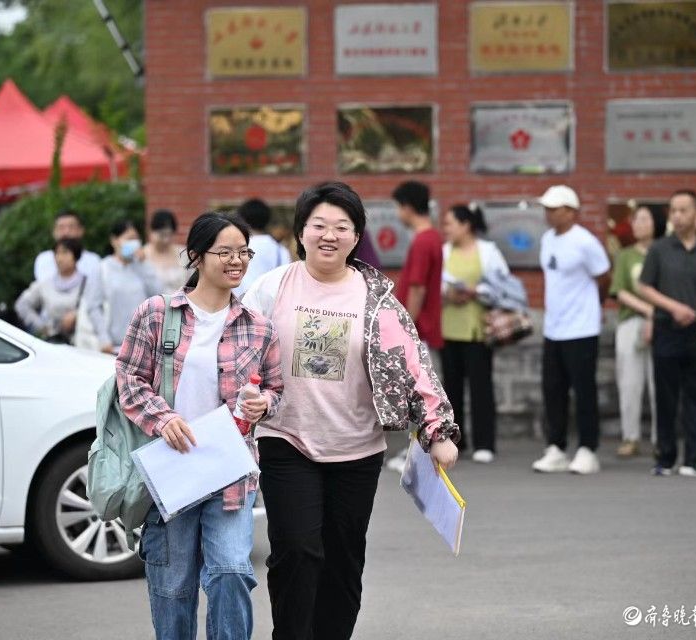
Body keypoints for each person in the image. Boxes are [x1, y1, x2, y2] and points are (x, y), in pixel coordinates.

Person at [241, 182, 459, 640]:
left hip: (356, 450)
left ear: (356, 237)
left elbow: (413, 362)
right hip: (286, 438)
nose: (329, 235)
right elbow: (238, 351)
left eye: (342, 227)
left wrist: (438, 430)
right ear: (300, 232)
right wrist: (248, 393)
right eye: (318, 225)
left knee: (343, 560)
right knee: (297, 550)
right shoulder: (270, 287)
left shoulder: (375, 298)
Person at [116, 212, 284, 640]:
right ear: (195, 256)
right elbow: (129, 380)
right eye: (224, 252)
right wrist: (164, 418)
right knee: (173, 589)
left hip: (230, 475)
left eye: (243, 252)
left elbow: (278, 392)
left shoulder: (259, 327)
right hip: (171, 473)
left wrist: (264, 402)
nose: (236, 261)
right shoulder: (156, 315)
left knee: (230, 573)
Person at [638, 189, 696, 478]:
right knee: (666, 396)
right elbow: (644, 287)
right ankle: (665, 458)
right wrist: (674, 307)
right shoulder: (659, 250)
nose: (677, 216)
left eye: (683, 210)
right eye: (673, 210)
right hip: (667, 330)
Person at [532, 185, 610, 475]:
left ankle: (589, 448)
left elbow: (604, 278)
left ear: (571, 211)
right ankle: (556, 447)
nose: (548, 214)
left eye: (554, 208)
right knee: (553, 390)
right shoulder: (547, 239)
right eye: (546, 208)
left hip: (582, 328)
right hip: (554, 327)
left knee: (584, 390)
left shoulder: (585, 242)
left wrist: (594, 307)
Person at [438, 203, 507, 464]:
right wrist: (449, 293)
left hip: (478, 330)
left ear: (465, 225)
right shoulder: (444, 252)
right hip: (449, 329)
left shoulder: (488, 251)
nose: (446, 229)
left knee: (481, 388)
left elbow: (503, 286)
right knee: (450, 390)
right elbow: (436, 285)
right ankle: (457, 440)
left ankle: (485, 443)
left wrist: (475, 291)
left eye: (450, 224)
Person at [385, 181, 444, 472]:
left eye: (398, 206)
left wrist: (406, 328)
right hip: (425, 327)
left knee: (420, 396)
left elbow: (418, 287)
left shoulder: (423, 241)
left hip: (418, 328)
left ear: (407, 206)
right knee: (421, 393)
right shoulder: (431, 237)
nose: (397, 213)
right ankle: (417, 451)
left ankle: (418, 454)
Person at [609, 205, 667, 457]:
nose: (637, 224)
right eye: (636, 219)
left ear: (656, 222)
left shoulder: (666, 253)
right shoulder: (625, 256)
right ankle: (630, 437)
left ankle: (660, 439)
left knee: (661, 383)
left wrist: (656, 316)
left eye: (644, 219)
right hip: (631, 322)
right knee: (629, 383)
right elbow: (619, 291)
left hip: (664, 323)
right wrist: (648, 311)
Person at [83, 220, 162, 354]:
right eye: (129, 238)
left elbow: (158, 295)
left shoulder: (142, 267)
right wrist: (104, 339)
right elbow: (93, 307)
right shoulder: (102, 268)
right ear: (114, 240)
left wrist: (143, 264)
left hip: (143, 345)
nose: (134, 243)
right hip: (112, 346)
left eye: (136, 239)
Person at [14, 238, 87, 343]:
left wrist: (77, 315)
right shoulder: (45, 284)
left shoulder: (88, 284)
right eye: (57, 253)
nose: (60, 258)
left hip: (82, 343)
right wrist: (42, 327)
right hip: (52, 342)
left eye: (65, 253)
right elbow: (22, 305)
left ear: (76, 256)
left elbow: (98, 309)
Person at [232, 198, 291, 298]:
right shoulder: (280, 250)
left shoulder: (234, 248)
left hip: (239, 305)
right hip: (270, 307)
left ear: (242, 219)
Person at [33, 210, 101, 281]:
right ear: (54, 232)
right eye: (61, 227)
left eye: (71, 227)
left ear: (81, 231)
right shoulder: (44, 259)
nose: (66, 232)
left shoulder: (94, 260)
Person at [143, 209, 191, 294]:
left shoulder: (184, 254)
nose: (166, 240)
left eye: (169, 235)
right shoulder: (142, 255)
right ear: (150, 231)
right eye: (162, 235)